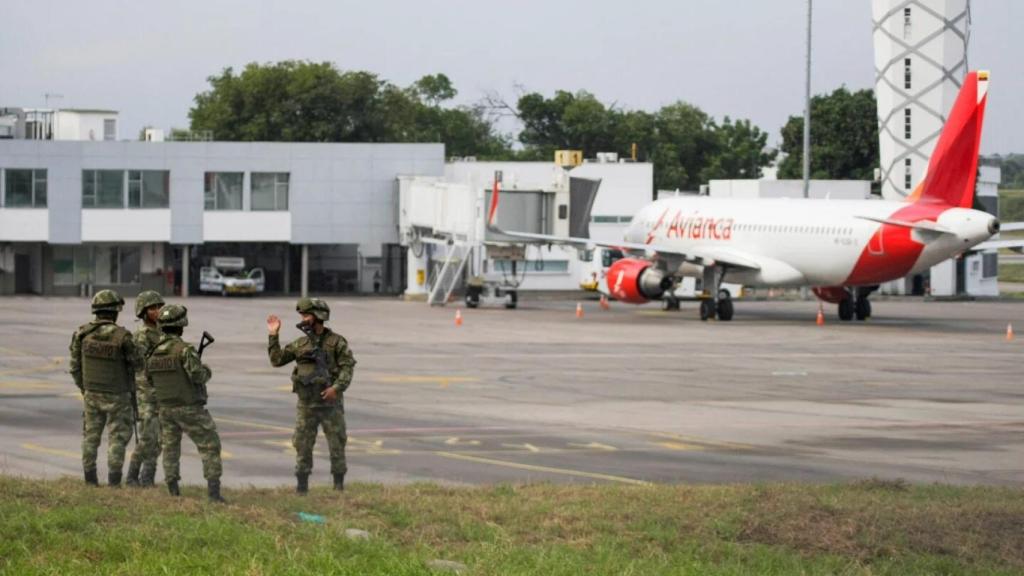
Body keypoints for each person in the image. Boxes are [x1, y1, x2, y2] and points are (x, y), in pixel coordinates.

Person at [267, 297, 356, 494]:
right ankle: (301, 487)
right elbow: (277, 360)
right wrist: (273, 335)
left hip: (330, 405)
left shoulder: (337, 343)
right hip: (306, 404)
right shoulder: (300, 344)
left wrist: (336, 388)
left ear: (318, 317)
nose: (303, 319)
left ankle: (338, 485)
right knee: (302, 445)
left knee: (337, 444)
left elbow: (347, 369)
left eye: (306, 315)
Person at [147, 304, 225, 503]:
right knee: (210, 445)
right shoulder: (184, 350)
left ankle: (173, 491)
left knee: (170, 449)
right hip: (189, 407)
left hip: (165, 408)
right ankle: (214, 494)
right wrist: (206, 369)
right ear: (181, 326)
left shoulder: (154, 353)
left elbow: (150, 380)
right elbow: (198, 376)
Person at [69, 289, 140, 487]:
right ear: (115, 312)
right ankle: (114, 481)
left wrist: (85, 388)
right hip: (118, 395)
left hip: (92, 393)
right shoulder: (123, 337)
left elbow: (74, 367)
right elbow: (137, 364)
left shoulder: (82, 334)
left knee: (91, 436)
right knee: (117, 438)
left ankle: (90, 479)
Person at [125, 290, 164, 487]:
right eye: (152, 308)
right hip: (146, 391)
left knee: (159, 440)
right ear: (143, 311)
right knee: (148, 436)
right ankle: (132, 476)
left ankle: (147, 478)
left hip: (163, 390)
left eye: (159, 307)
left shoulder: (163, 332)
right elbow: (140, 365)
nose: (157, 311)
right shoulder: (142, 335)